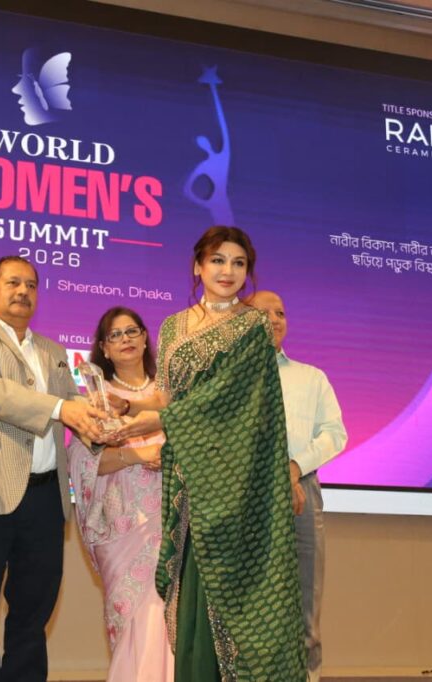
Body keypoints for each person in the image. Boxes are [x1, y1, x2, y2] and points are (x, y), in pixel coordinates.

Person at [112, 226, 306, 681]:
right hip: (190, 480)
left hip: (236, 485)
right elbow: (167, 397)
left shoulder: (253, 326)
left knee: (237, 597)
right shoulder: (173, 326)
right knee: (191, 595)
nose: (228, 271)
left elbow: (225, 401)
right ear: (198, 266)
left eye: (239, 263)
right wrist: (128, 407)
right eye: (218, 260)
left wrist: (158, 421)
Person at [0, 255, 104, 682]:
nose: (23, 292)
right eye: (13, 283)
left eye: (31, 285)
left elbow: (77, 409)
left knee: (33, 614)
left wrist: (106, 420)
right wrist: (63, 408)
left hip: (45, 500)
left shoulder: (53, 351)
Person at [67, 306, 175, 682]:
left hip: (175, 523)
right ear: (104, 348)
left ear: (145, 338)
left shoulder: (171, 397)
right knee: (137, 620)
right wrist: (140, 454)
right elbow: (85, 463)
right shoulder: (96, 401)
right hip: (122, 529)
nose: (125, 339)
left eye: (132, 331)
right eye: (115, 335)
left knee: (172, 618)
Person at [248, 290, 348, 682]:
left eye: (281, 313)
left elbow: (334, 434)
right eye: (265, 313)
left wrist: (294, 466)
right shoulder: (228, 380)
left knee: (306, 602)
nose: (275, 320)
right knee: (249, 605)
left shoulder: (311, 377)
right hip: (244, 493)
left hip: (301, 492)